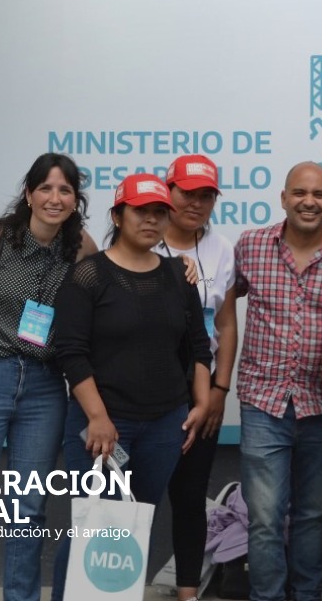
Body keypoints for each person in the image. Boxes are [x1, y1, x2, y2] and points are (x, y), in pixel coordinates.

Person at [0, 153, 96, 601]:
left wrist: (181, 269)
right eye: (45, 187)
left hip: (46, 386)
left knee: (28, 510)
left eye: (65, 190)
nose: (54, 197)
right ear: (28, 194)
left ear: (75, 200)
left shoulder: (80, 247)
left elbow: (115, 283)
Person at [51, 173, 213, 600]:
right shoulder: (88, 275)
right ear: (118, 215)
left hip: (165, 425)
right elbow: (71, 352)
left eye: (161, 212)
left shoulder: (180, 277)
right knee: (92, 525)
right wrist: (99, 418)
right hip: (101, 426)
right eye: (142, 211)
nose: (152, 220)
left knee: (131, 530)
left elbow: (198, 345)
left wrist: (200, 404)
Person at [235, 162, 322, 601]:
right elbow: (215, 298)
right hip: (262, 401)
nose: (308, 202)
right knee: (266, 517)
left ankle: (307, 594)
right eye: (299, 193)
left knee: (312, 513)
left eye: (319, 194)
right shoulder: (250, 246)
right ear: (283, 198)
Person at [160, 154, 239, 601]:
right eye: (187, 192)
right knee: (127, 498)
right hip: (145, 390)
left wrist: (218, 391)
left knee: (190, 498)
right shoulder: (141, 239)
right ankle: (112, 589)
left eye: (206, 195)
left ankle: (188, 591)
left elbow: (225, 324)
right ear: (167, 191)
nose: (196, 203)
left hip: (201, 390)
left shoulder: (221, 247)